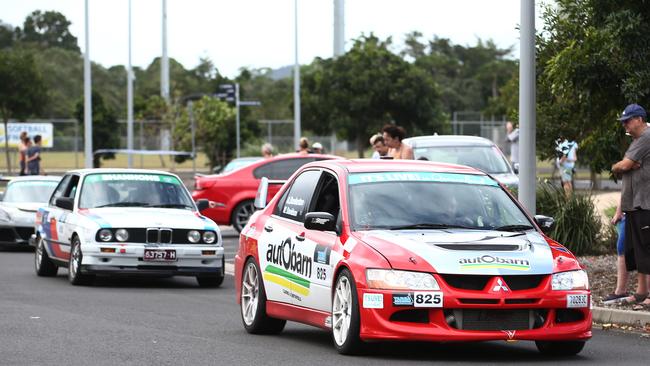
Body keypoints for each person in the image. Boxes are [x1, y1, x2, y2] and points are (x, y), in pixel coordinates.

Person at [611, 103, 650, 309]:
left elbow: (623, 166)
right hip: (634, 205)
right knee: (639, 251)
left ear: (639, 119)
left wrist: (617, 165)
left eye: (628, 120)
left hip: (646, 204)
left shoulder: (646, 138)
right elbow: (627, 165)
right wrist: (624, 164)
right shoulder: (637, 140)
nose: (625, 125)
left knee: (647, 249)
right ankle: (641, 293)